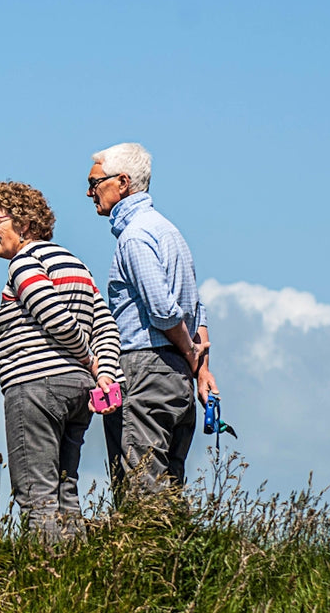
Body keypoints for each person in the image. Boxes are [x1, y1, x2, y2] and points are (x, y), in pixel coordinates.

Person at [0, 180, 121, 542]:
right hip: (78, 393)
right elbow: (105, 324)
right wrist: (105, 374)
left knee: (36, 494)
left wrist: (92, 362)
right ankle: (77, 573)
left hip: (34, 387)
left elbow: (54, 316)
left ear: (24, 225)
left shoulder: (24, 264)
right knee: (66, 488)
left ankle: (45, 580)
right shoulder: (77, 265)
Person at [86, 142, 218, 496]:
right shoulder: (170, 232)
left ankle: (145, 552)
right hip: (177, 374)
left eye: (95, 183)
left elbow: (163, 310)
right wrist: (200, 369)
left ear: (123, 183)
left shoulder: (135, 237)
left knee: (141, 487)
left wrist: (192, 354)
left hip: (146, 365)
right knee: (169, 484)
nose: (89, 192)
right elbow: (196, 307)